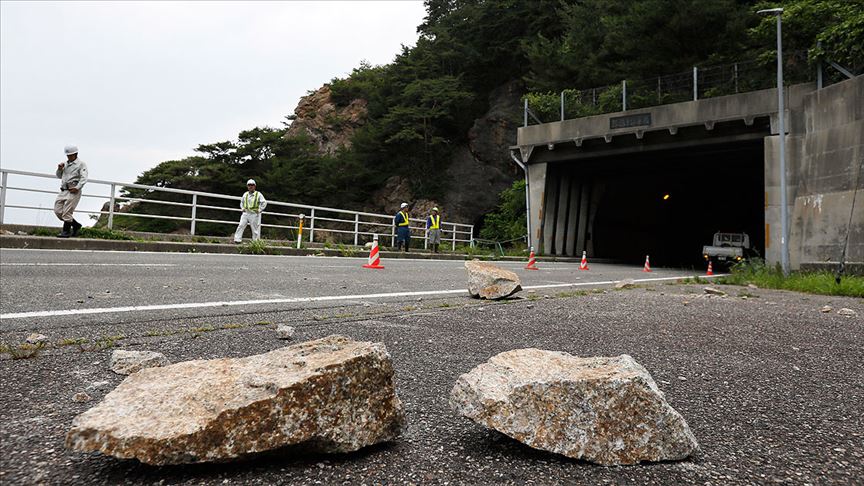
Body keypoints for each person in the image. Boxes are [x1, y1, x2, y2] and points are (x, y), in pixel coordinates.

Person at [54, 145, 88, 238]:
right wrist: (59, 169)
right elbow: (59, 176)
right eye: (68, 155)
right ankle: (76, 225)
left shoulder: (81, 164)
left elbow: (84, 178)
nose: (69, 157)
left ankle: (66, 231)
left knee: (67, 212)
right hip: (63, 190)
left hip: (73, 190)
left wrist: (78, 187)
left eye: (71, 155)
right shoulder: (65, 164)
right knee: (58, 210)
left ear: (75, 154)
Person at [234, 179, 267, 243]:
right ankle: (237, 240)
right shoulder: (245, 194)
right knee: (241, 225)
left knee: (254, 229)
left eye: (252, 185)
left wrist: (260, 210)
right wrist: (242, 208)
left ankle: (255, 242)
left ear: (255, 186)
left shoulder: (258, 194)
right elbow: (242, 202)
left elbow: (264, 202)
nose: (250, 186)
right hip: (245, 213)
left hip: (254, 214)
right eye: (249, 185)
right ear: (247, 186)